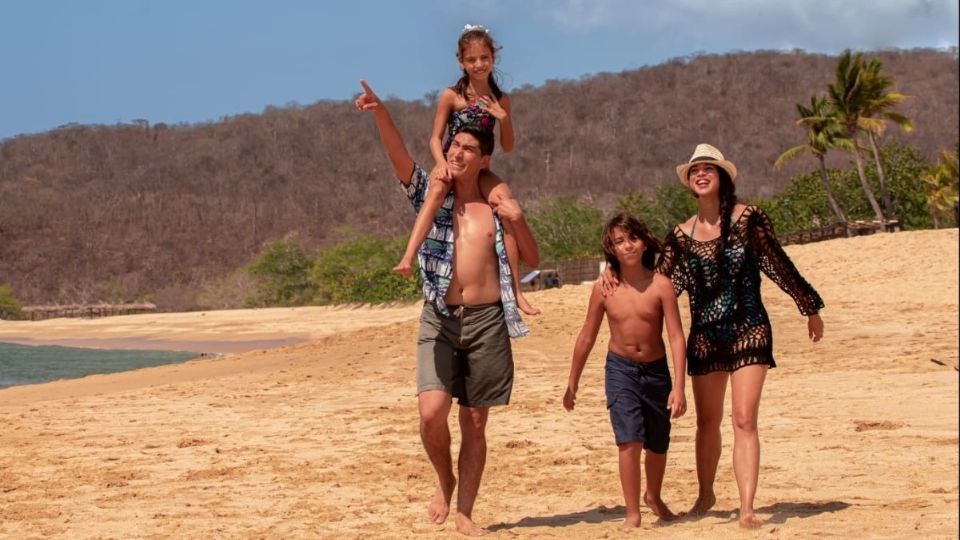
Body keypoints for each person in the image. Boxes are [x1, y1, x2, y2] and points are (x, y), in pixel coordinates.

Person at [355, 80, 539, 536]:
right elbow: (398, 155)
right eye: (454, 145)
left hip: (487, 320)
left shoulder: (495, 204)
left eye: (468, 148)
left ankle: (466, 512)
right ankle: (444, 478)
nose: (457, 153)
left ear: (484, 159)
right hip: (439, 316)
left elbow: (533, 259)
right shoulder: (429, 192)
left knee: (475, 421)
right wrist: (381, 113)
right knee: (431, 414)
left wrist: (518, 220)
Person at [617, 143, 824, 529]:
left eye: (708, 168)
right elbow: (658, 284)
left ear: (722, 177)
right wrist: (617, 282)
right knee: (707, 423)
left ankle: (746, 507)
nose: (701, 173)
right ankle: (706, 494)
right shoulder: (680, 236)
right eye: (695, 170)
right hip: (706, 337)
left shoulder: (749, 219)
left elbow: (777, 262)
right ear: (689, 183)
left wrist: (808, 306)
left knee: (744, 418)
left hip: (750, 328)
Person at [392, 24, 540, 317]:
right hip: (452, 163)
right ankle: (408, 256)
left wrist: (503, 118)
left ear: (493, 58)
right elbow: (435, 138)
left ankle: (517, 291)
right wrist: (441, 164)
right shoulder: (452, 96)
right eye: (471, 59)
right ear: (461, 61)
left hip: (481, 170)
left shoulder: (501, 100)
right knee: (436, 191)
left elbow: (508, 146)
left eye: (484, 58)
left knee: (506, 205)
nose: (478, 64)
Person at [564, 212, 688, 529]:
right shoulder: (604, 288)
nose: (628, 245)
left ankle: (653, 496)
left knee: (658, 442)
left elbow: (676, 336)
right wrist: (572, 381)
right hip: (620, 369)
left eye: (633, 238)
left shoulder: (661, 285)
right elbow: (587, 335)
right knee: (629, 440)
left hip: (656, 371)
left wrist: (679, 387)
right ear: (612, 249)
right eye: (619, 241)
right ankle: (633, 512)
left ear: (645, 242)